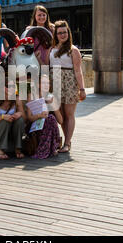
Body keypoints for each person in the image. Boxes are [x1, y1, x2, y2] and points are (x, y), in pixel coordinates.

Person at [47, 20, 86, 153]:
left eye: (64, 32)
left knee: (69, 114)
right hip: (55, 81)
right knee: (60, 114)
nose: (62, 35)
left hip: (69, 82)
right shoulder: (52, 49)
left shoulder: (73, 50)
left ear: (68, 33)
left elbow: (78, 70)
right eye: (59, 33)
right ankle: (66, 140)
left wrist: (82, 89)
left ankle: (67, 142)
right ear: (56, 35)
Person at [25, 74, 63, 159]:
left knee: (50, 118)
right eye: (43, 83)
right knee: (49, 119)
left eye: (48, 83)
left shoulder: (51, 97)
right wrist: (40, 115)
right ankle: (47, 148)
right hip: (34, 127)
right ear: (38, 85)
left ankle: (47, 148)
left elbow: (60, 121)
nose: (46, 85)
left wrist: (54, 106)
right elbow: (29, 118)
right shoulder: (32, 95)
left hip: (48, 126)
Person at [0, 78, 26, 160]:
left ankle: (18, 148)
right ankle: (0, 149)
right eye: (8, 86)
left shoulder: (17, 99)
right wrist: (2, 117)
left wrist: (20, 114)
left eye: (13, 86)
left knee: (20, 120)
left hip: (11, 132)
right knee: (4, 121)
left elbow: (25, 119)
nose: (11, 89)